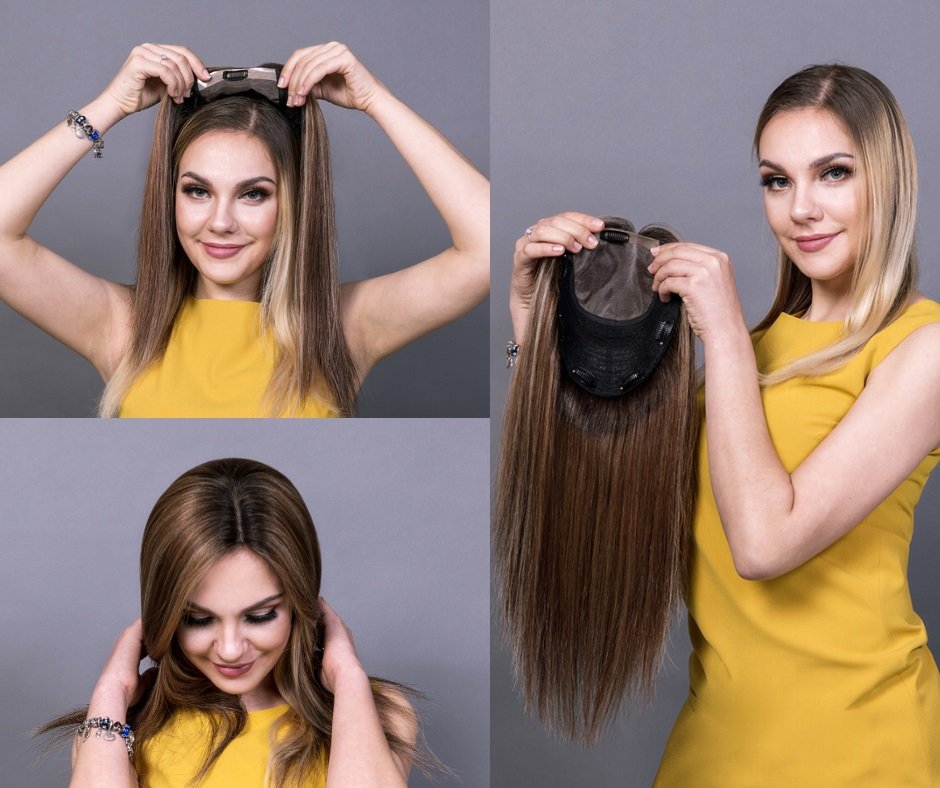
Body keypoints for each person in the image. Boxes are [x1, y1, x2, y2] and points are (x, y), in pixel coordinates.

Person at [509, 64, 940, 785]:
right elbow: (599, 495)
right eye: (777, 180)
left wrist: (727, 335)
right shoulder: (750, 355)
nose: (801, 208)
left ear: (889, 180)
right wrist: (534, 321)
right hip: (716, 748)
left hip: (863, 747)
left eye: (833, 174)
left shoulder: (921, 347)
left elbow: (766, 543)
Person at [0, 42, 489, 416]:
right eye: (197, 191)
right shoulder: (123, 326)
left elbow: (486, 250)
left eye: (253, 193)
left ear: (292, 204)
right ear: (169, 197)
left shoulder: (340, 329)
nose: (220, 221)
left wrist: (375, 98)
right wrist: (110, 105)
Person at [42, 457, 430, 787]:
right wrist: (113, 688)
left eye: (259, 616)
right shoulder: (115, 728)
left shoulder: (375, 713)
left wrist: (347, 676)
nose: (230, 648)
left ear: (300, 601)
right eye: (198, 619)